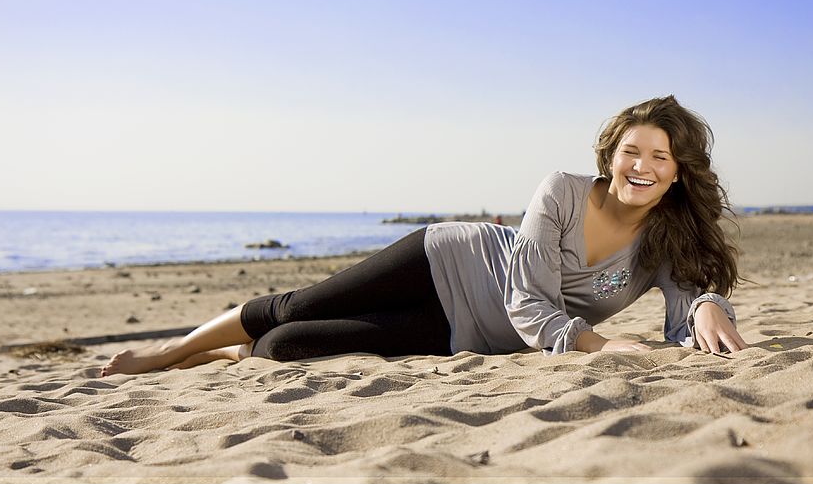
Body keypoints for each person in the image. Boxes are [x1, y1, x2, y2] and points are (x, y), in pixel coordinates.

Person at [100, 95, 746, 377]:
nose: (643, 166)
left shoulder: (666, 239)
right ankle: (164, 355)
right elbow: (527, 302)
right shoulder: (562, 190)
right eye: (633, 150)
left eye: (661, 157)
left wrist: (709, 305)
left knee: (289, 345)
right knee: (298, 305)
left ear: (679, 173)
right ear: (611, 154)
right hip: (444, 261)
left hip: (464, 336)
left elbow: (684, 305)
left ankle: (223, 357)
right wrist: (598, 345)